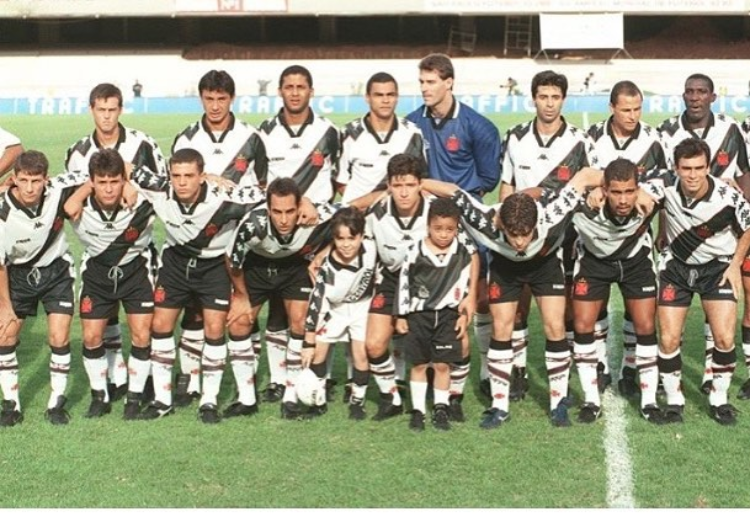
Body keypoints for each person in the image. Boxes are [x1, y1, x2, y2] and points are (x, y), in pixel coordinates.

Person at [422, 167, 604, 428]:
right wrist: (416, 184)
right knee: (501, 328)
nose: (519, 242)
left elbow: (585, 175)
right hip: (505, 267)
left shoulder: (553, 215)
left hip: (545, 265)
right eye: (513, 234)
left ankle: (558, 402)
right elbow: (454, 192)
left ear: (536, 225)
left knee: (555, 327)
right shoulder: (485, 220)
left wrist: (609, 185)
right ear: (500, 224)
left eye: (525, 234)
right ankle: (499, 406)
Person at [131, 148, 265, 423]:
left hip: (214, 266)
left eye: (189, 176)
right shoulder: (160, 188)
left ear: (202, 176)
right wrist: (125, 186)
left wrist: (305, 203)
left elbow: (270, 193)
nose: (182, 182)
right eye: (176, 175)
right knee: (160, 325)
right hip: (175, 264)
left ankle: (209, 401)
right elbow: (125, 167)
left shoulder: (226, 196)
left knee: (214, 329)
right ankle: (162, 400)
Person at [406, 53, 501, 412]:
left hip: (468, 222)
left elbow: (489, 178)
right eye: (421, 82)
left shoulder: (479, 126)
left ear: (449, 82)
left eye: (431, 82)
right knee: (426, 295)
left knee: (478, 298)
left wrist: (458, 198)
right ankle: (422, 375)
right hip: (426, 222)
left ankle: (485, 373)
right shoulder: (412, 124)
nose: (424, 88)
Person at [170, 69, 268, 408]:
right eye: (209, 99)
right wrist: (207, 179)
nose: (215, 106)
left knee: (239, 314)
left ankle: (247, 382)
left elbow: (262, 188)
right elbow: (176, 186)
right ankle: (190, 380)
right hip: (194, 241)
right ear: (201, 98)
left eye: (221, 99)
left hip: (236, 240)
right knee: (195, 312)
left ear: (231, 99)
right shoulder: (185, 139)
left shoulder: (251, 137)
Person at [499, 69, 598, 402]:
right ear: (534, 99)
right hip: (522, 237)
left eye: (555, 97)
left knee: (564, 311)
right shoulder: (515, 137)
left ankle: (562, 374)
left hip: (565, 236)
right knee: (519, 306)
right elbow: (507, 185)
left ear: (564, 100)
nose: (550, 103)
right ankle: (518, 371)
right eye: (543, 97)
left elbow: (595, 181)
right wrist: (507, 227)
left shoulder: (580, 140)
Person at [65, 82, 167, 403]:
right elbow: (73, 194)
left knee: (141, 324)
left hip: (136, 246)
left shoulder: (143, 144)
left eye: (112, 110)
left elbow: (163, 186)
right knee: (103, 317)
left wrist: (134, 182)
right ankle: (114, 375)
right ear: (91, 110)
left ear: (121, 109)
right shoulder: (78, 152)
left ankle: (142, 381)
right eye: (101, 110)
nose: (107, 116)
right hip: (99, 246)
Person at [642, 138, 750, 425]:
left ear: (708, 167)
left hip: (717, 268)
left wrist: (736, 264)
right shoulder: (664, 185)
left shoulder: (728, 197)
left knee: (724, 338)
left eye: (699, 168)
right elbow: (633, 191)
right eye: (686, 168)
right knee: (668, 338)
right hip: (676, 269)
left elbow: (748, 227)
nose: (692, 175)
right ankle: (674, 400)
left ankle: (719, 399)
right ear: (676, 168)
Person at [658, 73, 750, 395]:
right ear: (683, 95)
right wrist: (662, 229)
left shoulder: (730, 128)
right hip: (682, 231)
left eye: (701, 92)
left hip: (726, 228)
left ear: (712, 97)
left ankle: (713, 373)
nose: (695, 97)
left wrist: (743, 207)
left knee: (722, 310)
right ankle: (670, 378)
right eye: (690, 91)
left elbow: (744, 173)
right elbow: (662, 187)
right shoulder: (667, 131)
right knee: (672, 320)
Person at [336, 71, 425, 397]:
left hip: (394, 228)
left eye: (390, 94)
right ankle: (355, 376)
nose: (384, 100)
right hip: (359, 232)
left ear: (397, 97)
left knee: (396, 302)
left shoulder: (412, 133)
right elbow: (341, 183)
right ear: (368, 98)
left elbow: (418, 179)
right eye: (378, 94)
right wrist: (359, 211)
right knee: (355, 302)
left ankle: (398, 374)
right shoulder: (349, 134)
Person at [257, 64, 340, 403]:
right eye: (289, 87)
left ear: (311, 91)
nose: (294, 92)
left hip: (314, 237)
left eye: (300, 86)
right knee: (277, 313)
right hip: (276, 236)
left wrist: (318, 208)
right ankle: (280, 381)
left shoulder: (329, 132)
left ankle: (318, 376)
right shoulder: (264, 133)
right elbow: (259, 183)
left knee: (309, 312)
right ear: (280, 91)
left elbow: (340, 183)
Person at [226, 177, 337, 420]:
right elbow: (232, 260)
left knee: (300, 321)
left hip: (294, 268)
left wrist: (323, 254)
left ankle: (291, 397)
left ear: (299, 207)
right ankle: (246, 399)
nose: (284, 219)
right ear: (268, 210)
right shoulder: (253, 224)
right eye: (277, 212)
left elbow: (353, 216)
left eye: (290, 211)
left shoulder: (317, 215)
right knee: (239, 322)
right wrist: (241, 296)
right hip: (257, 267)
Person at [586, 80, 668, 397]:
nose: (633, 116)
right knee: (596, 305)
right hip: (597, 238)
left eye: (637, 109)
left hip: (636, 238)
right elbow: (582, 177)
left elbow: (664, 182)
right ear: (612, 108)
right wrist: (598, 187)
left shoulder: (653, 139)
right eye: (626, 110)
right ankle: (600, 365)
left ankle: (630, 367)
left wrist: (644, 194)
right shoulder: (592, 137)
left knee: (638, 309)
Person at [0, 151, 90, 426]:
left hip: (57, 271)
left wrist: (80, 193)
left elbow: (101, 172)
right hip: (17, 274)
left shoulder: (59, 188)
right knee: (5, 336)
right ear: (14, 179)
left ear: (46, 179)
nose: (30, 188)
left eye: (36, 181)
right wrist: (5, 308)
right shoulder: (2, 211)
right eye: (24, 180)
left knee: (59, 337)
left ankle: (56, 404)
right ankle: (11, 404)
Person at [571, 158, 663, 424]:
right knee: (583, 324)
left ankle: (649, 401)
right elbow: (569, 182)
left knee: (646, 325)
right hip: (594, 263)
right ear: (604, 189)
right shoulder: (582, 205)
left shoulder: (651, 195)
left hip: (636, 263)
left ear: (638, 188)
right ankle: (591, 400)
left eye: (630, 191)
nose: (623, 200)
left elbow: (686, 180)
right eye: (616, 192)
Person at [66, 149, 156, 420]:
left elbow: (175, 186)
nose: (108, 189)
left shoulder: (144, 199)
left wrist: (130, 183)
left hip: (136, 271)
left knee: (141, 334)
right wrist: (83, 190)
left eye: (114, 182)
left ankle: (134, 398)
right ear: (92, 181)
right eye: (101, 182)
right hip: (97, 273)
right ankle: (100, 397)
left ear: (123, 180)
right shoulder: (76, 202)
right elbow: (59, 201)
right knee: (92, 337)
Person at [395, 198, 479, 432]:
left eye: (449, 229)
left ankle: (441, 407)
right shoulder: (415, 251)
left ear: (457, 228)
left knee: (442, 365)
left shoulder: (461, 253)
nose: (443, 234)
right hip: (419, 316)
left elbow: (466, 284)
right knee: (419, 364)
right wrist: (401, 315)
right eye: (438, 228)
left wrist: (463, 314)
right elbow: (404, 282)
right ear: (428, 226)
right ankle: (418, 411)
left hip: (447, 316)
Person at [362, 154, 435, 421]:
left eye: (410, 185)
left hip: (427, 282)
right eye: (398, 185)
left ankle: (443, 396)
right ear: (389, 186)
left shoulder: (435, 211)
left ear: (420, 185)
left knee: (435, 345)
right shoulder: (376, 213)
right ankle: (390, 396)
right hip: (390, 279)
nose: (404, 193)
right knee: (373, 344)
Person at [300, 207, 378, 420]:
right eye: (340, 238)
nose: (346, 244)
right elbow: (316, 304)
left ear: (361, 236)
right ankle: (318, 402)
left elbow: (377, 202)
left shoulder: (371, 248)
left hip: (362, 307)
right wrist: (308, 343)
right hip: (334, 310)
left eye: (351, 238)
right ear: (333, 239)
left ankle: (357, 402)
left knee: (360, 354)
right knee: (319, 353)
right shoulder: (326, 269)